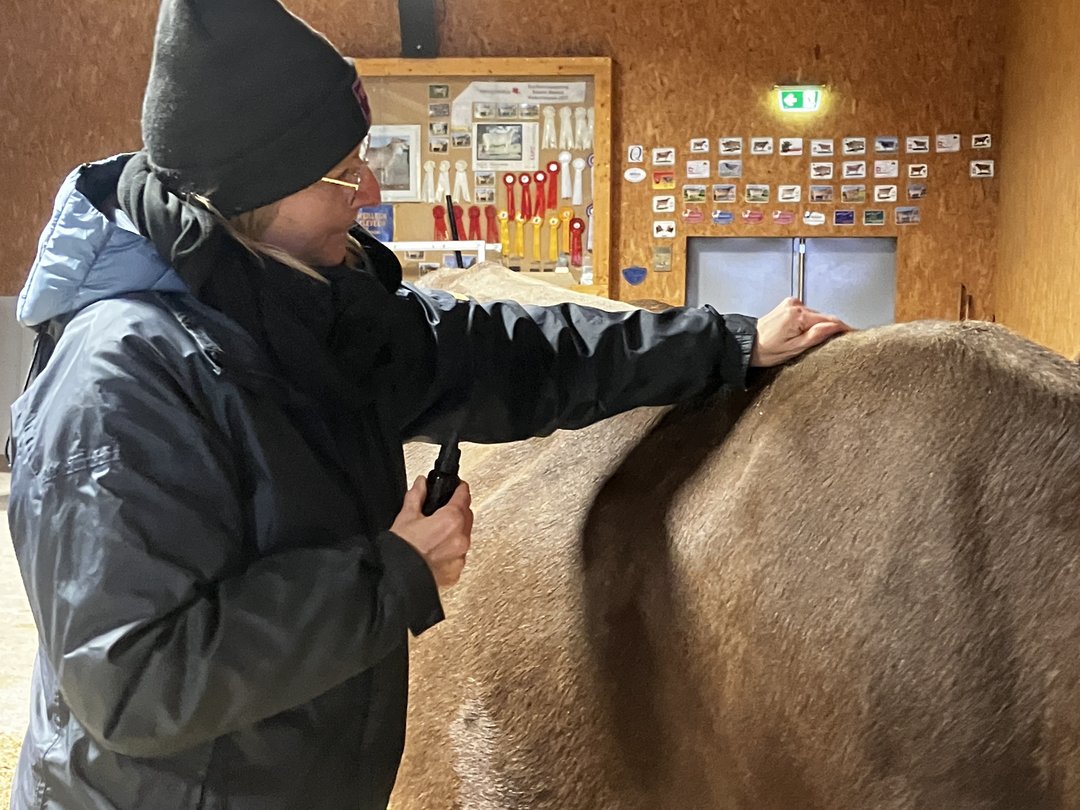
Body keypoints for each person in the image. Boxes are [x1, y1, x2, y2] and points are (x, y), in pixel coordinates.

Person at [5, 1, 849, 808]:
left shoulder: (313, 308)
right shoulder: (121, 380)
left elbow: (521, 354)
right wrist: (396, 572)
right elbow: (135, 679)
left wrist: (725, 343)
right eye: (341, 171)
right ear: (252, 195)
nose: (367, 187)